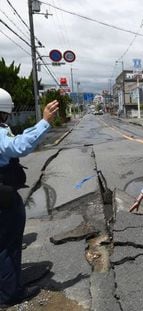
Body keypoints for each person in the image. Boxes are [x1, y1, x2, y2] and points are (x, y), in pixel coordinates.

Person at [0, 88, 59, 307]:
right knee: (8, 244)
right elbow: (18, 146)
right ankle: (10, 293)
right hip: (3, 198)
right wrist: (44, 122)